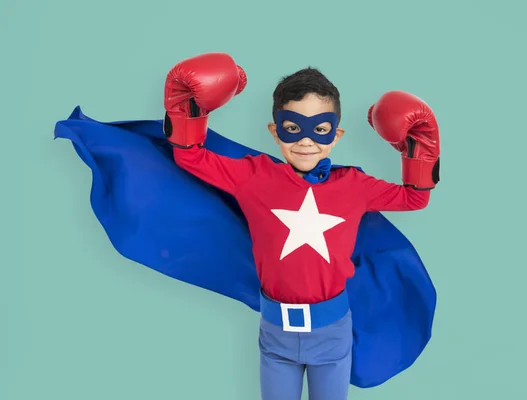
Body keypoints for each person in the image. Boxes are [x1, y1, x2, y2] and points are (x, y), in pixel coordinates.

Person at [163, 52, 440, 400]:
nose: (306, 141)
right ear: (274, 131)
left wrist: (419, 147)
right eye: (293, 128)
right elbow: (189, 154)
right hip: (276, 331)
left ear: (335, 135)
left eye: (319, 129)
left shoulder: (353, 184)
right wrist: (186, 105)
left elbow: (414, 198)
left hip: (332, 332)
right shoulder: (253, 176)